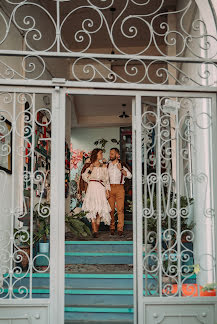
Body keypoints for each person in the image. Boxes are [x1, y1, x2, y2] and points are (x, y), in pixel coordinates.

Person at [81, 148, 111, 237]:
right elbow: (85, 177)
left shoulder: (104, 166)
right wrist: (90, 170)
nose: (102, 155)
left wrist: (107, 190)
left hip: (101, 188)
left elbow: (106, 179)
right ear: (96, 154)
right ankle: (95, 231)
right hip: (92, 187)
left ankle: (96, 230)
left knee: (100, 209)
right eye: (100, 153)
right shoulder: (90, 165)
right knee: (92, 208)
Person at [107, 148, 132, 236]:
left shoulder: (121, 165)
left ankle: (120, 228)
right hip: (110, 187)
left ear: (118, 155)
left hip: (120, 188)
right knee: (111, 209)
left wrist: (121, 169)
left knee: (120, 209)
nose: (110, 155)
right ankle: (112, 227)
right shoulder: (107, 166)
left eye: (112, 154)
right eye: (110, 154)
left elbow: (129, 176)